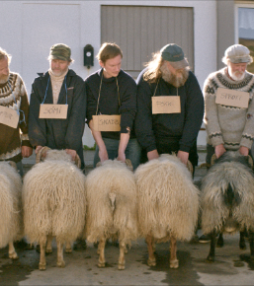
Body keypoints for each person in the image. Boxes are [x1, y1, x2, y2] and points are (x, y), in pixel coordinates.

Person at [135, 43, 204, 169]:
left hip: (183, 145)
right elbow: (141, 116)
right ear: (164, 64)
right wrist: (150, 148)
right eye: (176, 66)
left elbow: (195, 115)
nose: (181, 69)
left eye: (182, 65)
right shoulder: (147, 79)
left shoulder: (190, 79)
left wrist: (185, 147)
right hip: (154, 144)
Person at [28, 43, 86, 171]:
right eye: (54, 61)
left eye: (61, 62)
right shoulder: (39, 83)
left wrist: (72, 145)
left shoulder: (77, 83)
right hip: (47, 145)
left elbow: (78, 114)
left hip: (69, 145)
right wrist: (38, 142)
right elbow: (34, 114)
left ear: (69, 62)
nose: (57, 65)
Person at [85, 42, 141, 169]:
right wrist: (101, 148)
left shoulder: (128, 83)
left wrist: (121, 151)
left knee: (129, 181)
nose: (117, 69)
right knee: (100, 178)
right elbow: (91, 117)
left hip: (130, 140)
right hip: (106, 139)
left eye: (119, 64)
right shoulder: (91, 83)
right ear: (101, 63)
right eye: (112, 65)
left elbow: (128, 115)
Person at [204, 44, 254, 165]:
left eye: (244, 65)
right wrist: (218, 143)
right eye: (237, 65)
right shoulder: (213, 81)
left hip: (244, 146)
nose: (241, 69)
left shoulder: (252, 82)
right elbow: (210, 115)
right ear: (227, 62)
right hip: (217, 146)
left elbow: (252, 115)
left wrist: (246, 145)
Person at [0, 47, 33, 176]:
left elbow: (25, 112)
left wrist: (26, 141)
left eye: (7, 66)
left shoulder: (16, 81)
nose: (6, 71)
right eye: (1, 69)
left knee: (15, 192)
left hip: (13, 152)